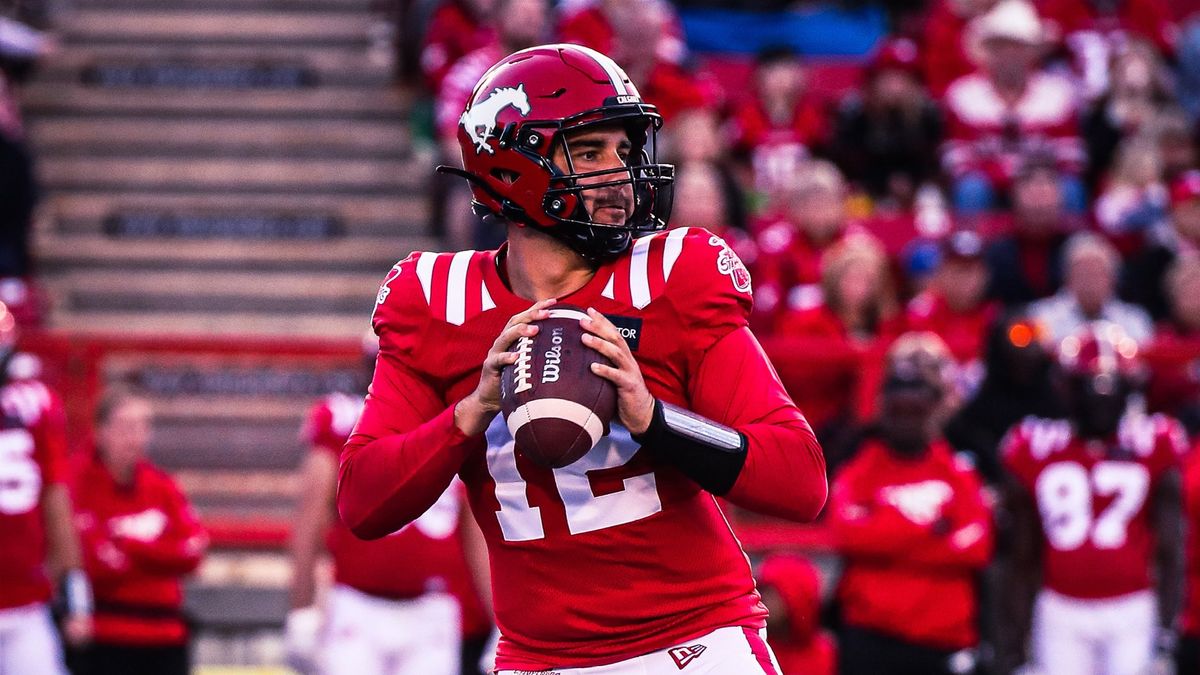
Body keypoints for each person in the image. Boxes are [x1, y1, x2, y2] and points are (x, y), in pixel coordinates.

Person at [337, 43, 827, 674]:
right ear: (513, 167)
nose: (619, 174)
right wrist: (471, 412)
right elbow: (362, 501)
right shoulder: (438, 303)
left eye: (625, 152)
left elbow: (800, 478)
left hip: (691, 643)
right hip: (540, 659)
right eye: (591, 152)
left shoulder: (672, 281)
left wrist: (655, 420)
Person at [286, 334, 492, 675]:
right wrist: (302, 608)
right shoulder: (342, 421)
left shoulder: (459, 421)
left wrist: (501, 617)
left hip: (432, 609)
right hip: (357, 603)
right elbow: (310, 520)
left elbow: (476, 531)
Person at [999, 321, 1186, 675]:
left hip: (1131, 606)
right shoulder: (1036, 445)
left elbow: (1171, 547)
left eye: (1111, 389)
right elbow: (1021, 553)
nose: (1100, 399)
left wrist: (1165, 630)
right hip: (1060, 606)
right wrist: (1014, 642)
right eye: (1089, 388)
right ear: (1067, 389)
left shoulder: (1152, 442)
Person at [827, 332, 993, 675]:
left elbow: (977, 546)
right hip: (871, 637)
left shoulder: (959, 470)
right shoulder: (859, 465)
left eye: (916, 409)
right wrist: (933, 531)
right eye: (898, 408)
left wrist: (884, 533)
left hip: (942, 638)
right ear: (883, 407)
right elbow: (846, 534)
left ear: (934, 407)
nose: (907, 418)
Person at [68, 388, 207, 675]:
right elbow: (95, 564)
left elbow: (193, 553)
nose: (136, 437)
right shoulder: (77, 484)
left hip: (166, 635)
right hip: (104, 636)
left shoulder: (161, 485)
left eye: (144, 426)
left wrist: (127, 545)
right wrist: (159, 554)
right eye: (126, 426)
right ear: (101, 431)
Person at [0, 302, 91, 675]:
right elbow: (56, 499)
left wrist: (74, 593)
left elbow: (55, 498)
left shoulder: (34, 402)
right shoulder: (35, 400)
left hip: (26, 602)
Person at [941, 0, 1086, 214]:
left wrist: (1036, 181)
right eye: (1001, 47)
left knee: (1070, 188)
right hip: (988, 184)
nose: (1009, 55)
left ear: (1032, 52)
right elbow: (955, 158)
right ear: (988, 52)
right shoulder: (964, 95)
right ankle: (971, 246)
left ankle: (1073, 245)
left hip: (1043, 183)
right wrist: (1005, 174)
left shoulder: (1057, 94)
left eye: (1017, 47)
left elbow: (1072, 156)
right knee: (971, 189)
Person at [1029, 231, 1155, 345]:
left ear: (1112, 280)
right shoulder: (1042, 317)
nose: (1089, 282)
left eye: (1096, 274)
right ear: (1067, 279)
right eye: (1082, 273)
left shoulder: (1134, 320)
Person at [756, 554, 836, 675]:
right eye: (762, 590)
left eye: (772, 594)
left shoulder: (825, 654)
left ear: (797, 600)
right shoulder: (752, 648)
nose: (762, 599)